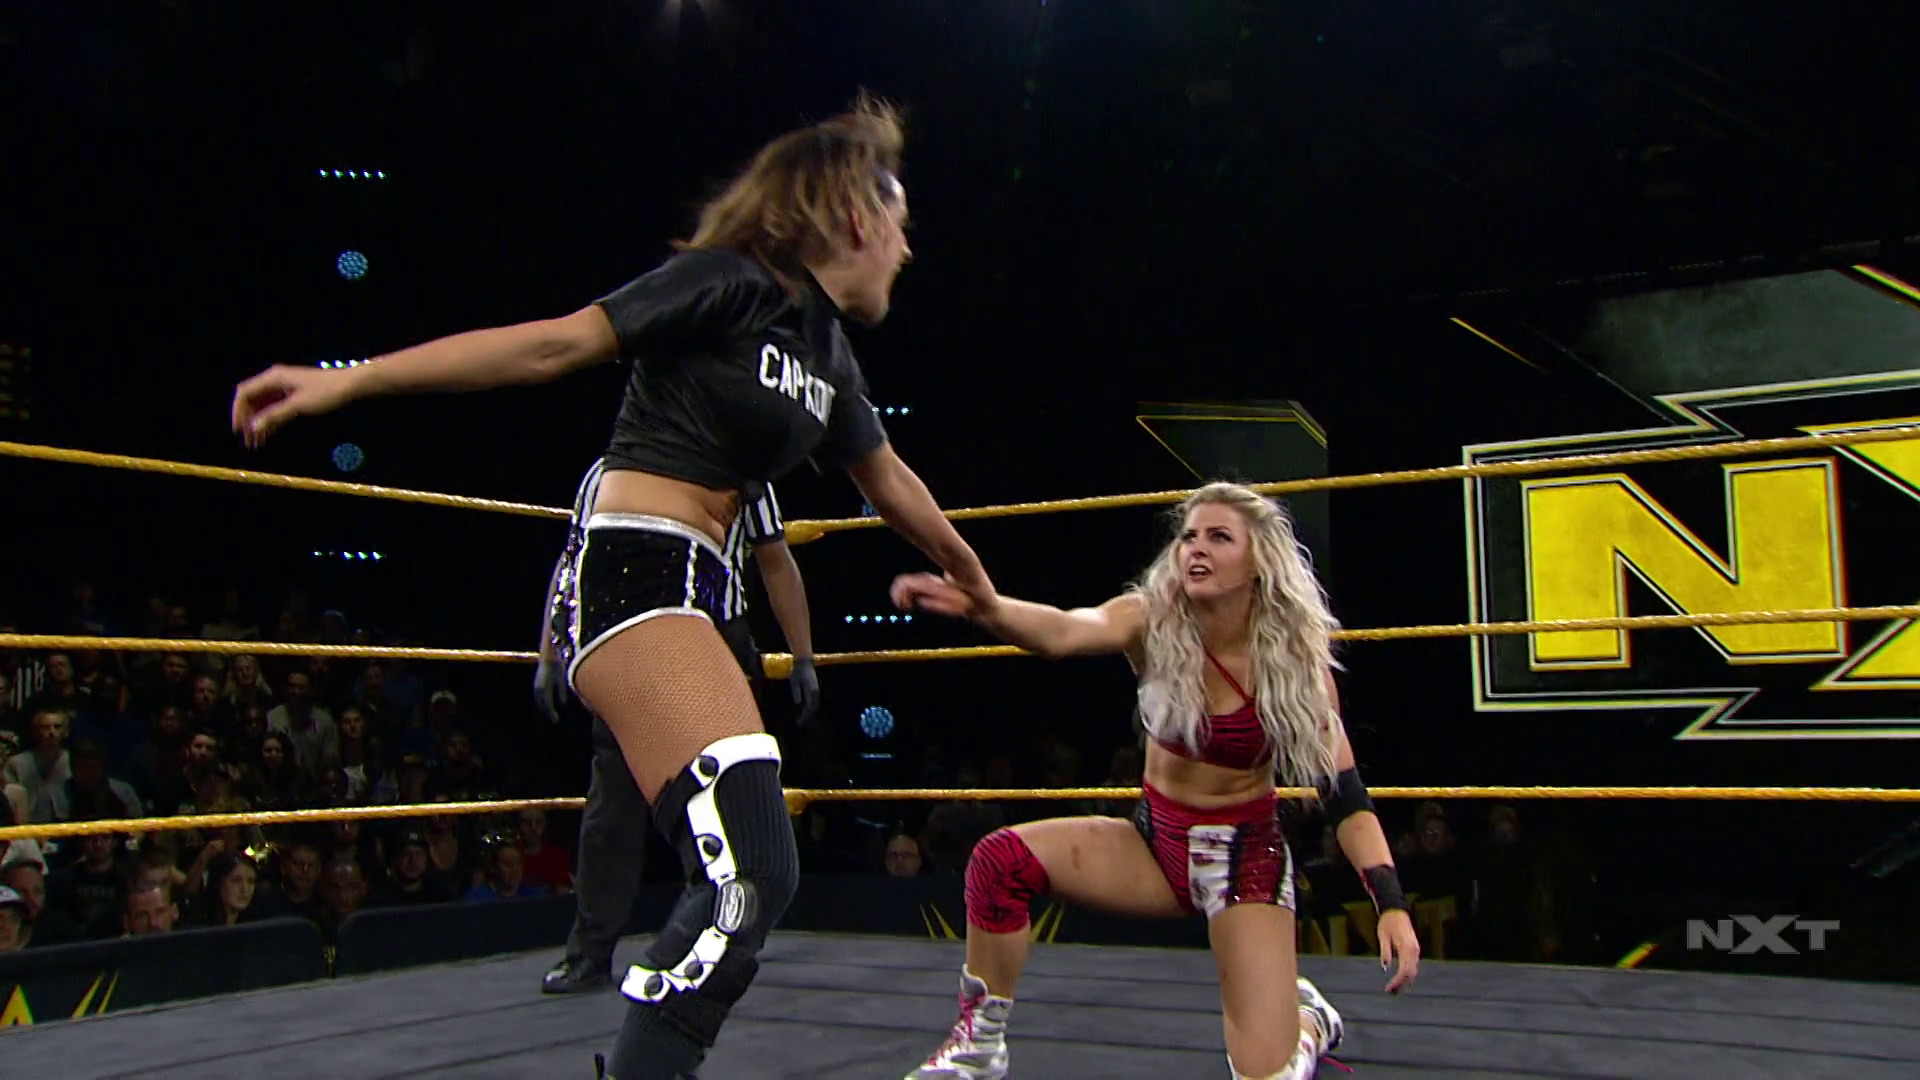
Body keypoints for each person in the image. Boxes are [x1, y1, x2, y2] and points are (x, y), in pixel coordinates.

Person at [229, 92, 996, 1080]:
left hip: (703, 593)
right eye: (901, 221)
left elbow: (888, 482)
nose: (908, 246)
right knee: (750, 870)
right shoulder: (729, 283)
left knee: (751, 871)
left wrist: (978, 581)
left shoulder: (829, 356)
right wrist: (350, 377)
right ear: (856, 215)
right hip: (636, 571)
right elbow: (553, 344)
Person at [889, 482, 1419, 1080]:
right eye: (1189, 536)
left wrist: (1390, 903)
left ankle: (1308, 1021)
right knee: (999, 861)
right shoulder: (1152, 620)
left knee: (1267, 1075)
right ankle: (978, 1047)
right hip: (1155, 844)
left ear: (1258, 561)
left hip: (1244, 863)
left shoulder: (1296, 667)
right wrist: (986, 606)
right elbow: (1065, 630)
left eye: (1219, 537)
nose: (1197, 548)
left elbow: (1343, 793)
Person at [536, 457, 822, 995]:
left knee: (723, 804)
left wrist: (802, 655)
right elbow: (575, 558)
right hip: (628, 641)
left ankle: (715, 944)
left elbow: (775, 561)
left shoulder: (738, 467)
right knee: (613, 806)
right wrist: (549, 654)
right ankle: (590, 954)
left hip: (714, 640)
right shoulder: (606, 473)